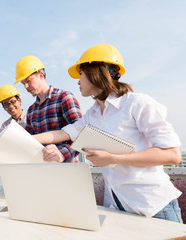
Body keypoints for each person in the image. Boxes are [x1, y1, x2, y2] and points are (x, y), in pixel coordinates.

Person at [33, 44, 183, 223]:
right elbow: (62, 134)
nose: (78, 81)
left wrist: (113, 158)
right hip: (118, 207)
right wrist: (22, 138)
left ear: (96, 72)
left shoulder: (137, 104)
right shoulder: (93, 114)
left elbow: (172, 155)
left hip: (153, 207)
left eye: (81, 74)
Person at [14, 55, 82, 163]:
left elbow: (82, 135)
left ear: (41, 75)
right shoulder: (31, 110)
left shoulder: (64, 97)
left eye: (28, 81)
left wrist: (62, 154)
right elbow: (29, 141)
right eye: (23, 84)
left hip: (68, 169)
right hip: (43, 170)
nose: (26, 87)